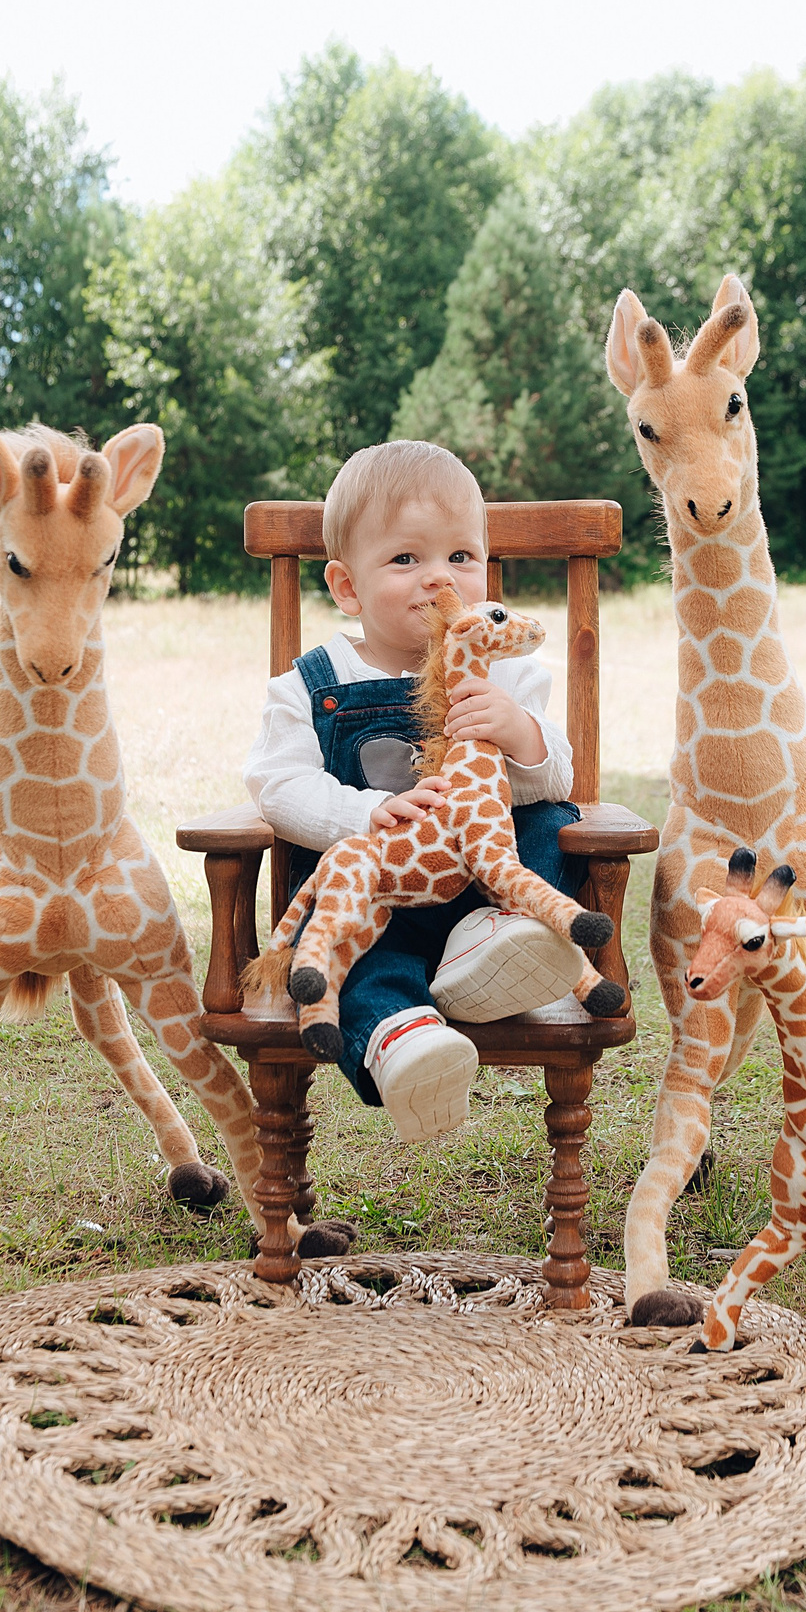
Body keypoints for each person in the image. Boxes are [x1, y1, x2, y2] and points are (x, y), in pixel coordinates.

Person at [243, 441, 587, 1143]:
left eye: (461, 557)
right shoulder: (311, 683)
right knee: (356, 954)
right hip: (383, 896)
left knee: (552, 818)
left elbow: (559, 775)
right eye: (406, 559)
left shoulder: (502, 669)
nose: (439, 579)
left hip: (489, 890)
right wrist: (361, 811)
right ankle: (404, 1040)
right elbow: (275, 784)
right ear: (346, 586)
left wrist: (520, 733)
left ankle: (500, 945)